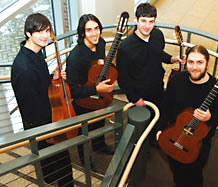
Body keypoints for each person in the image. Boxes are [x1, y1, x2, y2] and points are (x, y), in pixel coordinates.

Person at [156, 45, 218, 187]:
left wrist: (210, 118)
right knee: (175, 168)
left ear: (207, 64)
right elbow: (165, 106)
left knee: (193, 175)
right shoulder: (176, 80)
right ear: (186, 62)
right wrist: (160, 129)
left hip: (199, 142)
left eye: (200, 62)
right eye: (191, 62)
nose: (194, 67)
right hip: (173, 134)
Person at [11, 13, 74, 186]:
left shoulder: (37, 52)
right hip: (42, 128)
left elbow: (38, 84)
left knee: (58, 167)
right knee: (58, 170)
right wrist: (52, 130)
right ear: (28, 33)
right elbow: (31, 108)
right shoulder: (23, 68)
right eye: (39, 32)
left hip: (49, 121)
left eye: (47, 31)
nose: (45, 36)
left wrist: (51, 77)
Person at [116, 3, 183, 146]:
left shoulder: (157, 35)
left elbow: (157, 53)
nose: (147, 26)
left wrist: (171, 59)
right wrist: (135, 98)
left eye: (151, 21)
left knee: (158, 117)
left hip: (157, 86)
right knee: (140, 124)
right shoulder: (126, 48)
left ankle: (154, 140)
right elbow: (122, 78)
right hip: (139, 92)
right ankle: (139, 147)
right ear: (136, 20)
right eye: (143, 21)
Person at [66, 14, 114, 160]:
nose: (94, 34)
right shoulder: (75, 58)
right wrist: (96, 90)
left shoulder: (101, 44)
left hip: (98, 95)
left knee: (100, 122)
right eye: (89, 30)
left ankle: (100, 145)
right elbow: (73, 91)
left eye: (97, 28)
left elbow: (100, 65)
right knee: (84, 133)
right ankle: (84, 158)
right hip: (82, 102)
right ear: (82, 33)